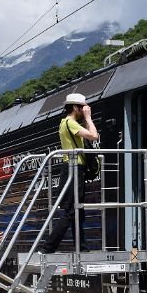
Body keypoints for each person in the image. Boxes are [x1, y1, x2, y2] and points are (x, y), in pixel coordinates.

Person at [38, 92, 100, 254]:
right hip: (74, 169)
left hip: (73, 169)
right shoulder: (70, 123)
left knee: (77, 211)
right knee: (71, 211)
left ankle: (82, 248)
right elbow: (94, 136)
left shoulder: (65, 123)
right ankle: (48, 248)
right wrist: (88, 118)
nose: (85, 110)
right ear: (75, 107)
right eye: (82, 107)